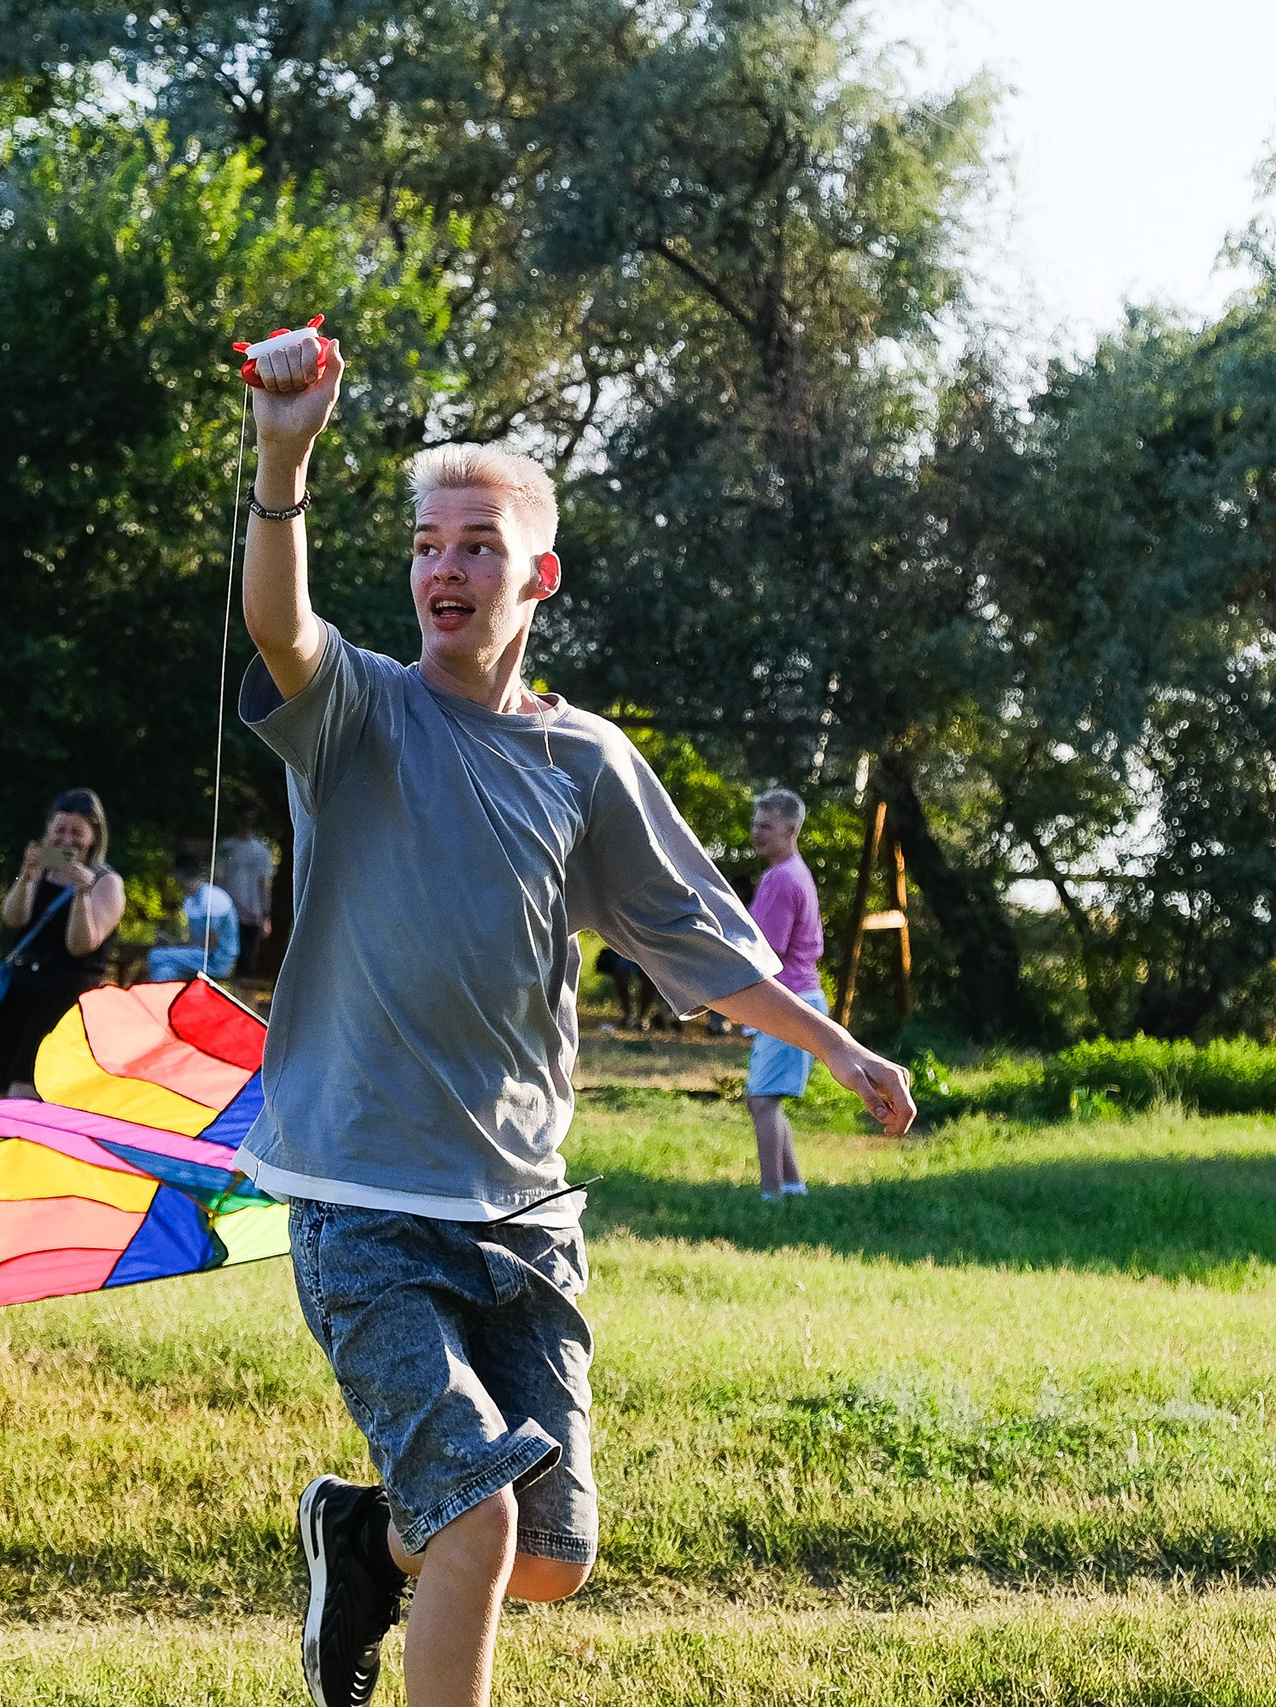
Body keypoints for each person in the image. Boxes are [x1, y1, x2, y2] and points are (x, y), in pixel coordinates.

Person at [234, 335, 913, 1707]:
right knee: (480, 1517)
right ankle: (406, 1538)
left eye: (479, 545)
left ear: (535, 577)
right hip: (363, 1198)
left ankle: (362, 1534)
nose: (444, 568)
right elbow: (277, 628)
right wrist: (283, 457)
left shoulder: (583, 759)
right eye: (428, 543)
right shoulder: (357, 710)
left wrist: (834, 1045)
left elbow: (700, 942)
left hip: (524, 1210)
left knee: (548, 1548)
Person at [0, 790, 126, 1095]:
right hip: (23, 984)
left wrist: (81, 894)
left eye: (77, 832)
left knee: (25, 1083)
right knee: (6, 1081)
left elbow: (81, 945)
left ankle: (22, 1138)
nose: (67, 840)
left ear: (94, 836)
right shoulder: (41, 869)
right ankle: (11, 1140)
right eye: (60, 830)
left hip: (66, 991)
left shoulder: (107, 882)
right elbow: (13, 919)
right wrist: (27, 876)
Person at [741, 789, 827, 1199]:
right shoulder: (794, 871)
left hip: (786, 1001)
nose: (757, 833)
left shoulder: (780, 879)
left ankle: (770, 1195)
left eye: (767, 826)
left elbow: (767, 950)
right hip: (799, 998)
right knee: (768, 1097)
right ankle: (793, 1188)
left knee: (762, 1101)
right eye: (756, 824)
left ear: (791, 830)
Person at [145, 852, 240, 983]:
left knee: (155, 956)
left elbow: (210, 943)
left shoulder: (212, 897)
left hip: (217, 960)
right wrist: (173, 943)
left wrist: (177, 948)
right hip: (201, 957)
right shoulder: (190, 901)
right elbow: (194, 941)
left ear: (179, 874)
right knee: (165, 972)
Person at [217, 810, 277, 977]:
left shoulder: (261, 850)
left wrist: (265, 915)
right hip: (230, 911)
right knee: (236, 952)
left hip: (253, 913)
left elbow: (263, 884)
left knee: (249, 955)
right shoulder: (227, 848)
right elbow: (220, 880)